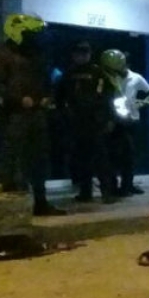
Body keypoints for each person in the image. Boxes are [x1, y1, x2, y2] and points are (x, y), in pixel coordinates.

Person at [0, 14, 65, 216]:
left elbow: (47, 80)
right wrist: (17, 100)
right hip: (15, 116)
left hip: (37, 113)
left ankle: (40, 203)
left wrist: (47, 97)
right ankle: (15, 206)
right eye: (32, 32)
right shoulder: (4, 53)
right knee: (14, 160)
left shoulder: (37, 54)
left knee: (39, 160)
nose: (37, 36)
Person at [56, 40, 116, 203]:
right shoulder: (69, 74)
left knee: (101, 159)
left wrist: (109, 118)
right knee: (81, 160)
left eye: (84, 54)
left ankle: (107, 192)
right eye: (78, 54)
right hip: (76, 122)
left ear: (89, 55)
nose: (81, 57)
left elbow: (108, 98)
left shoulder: (98, 73)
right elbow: (60, 97)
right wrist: (64, 116)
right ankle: (85, 192)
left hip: (96, 122)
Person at [100, 49, 149, 195]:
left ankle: (127, 185)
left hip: (128, 120)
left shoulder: (134, 78)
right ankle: (112, 186)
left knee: (128, 155)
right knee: (111, 156)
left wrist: (142, 103)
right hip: (112, 121)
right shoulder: (104, 79)